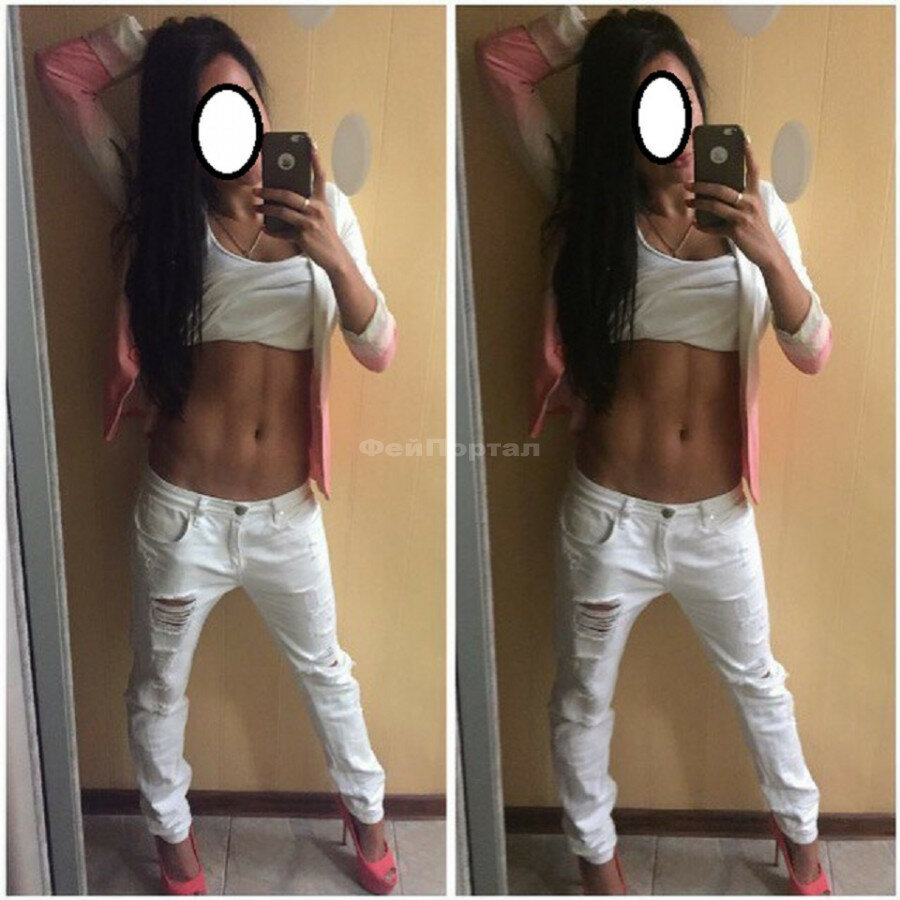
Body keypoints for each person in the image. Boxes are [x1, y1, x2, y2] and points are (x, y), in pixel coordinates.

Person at [35, 13, 399, 895]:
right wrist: (159, 40)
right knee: (159, 688)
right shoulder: (160, 206)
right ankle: (171, 832)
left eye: (245, 103)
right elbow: (63, 77)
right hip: (182, 515)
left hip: (286, 517)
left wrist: (330, 252)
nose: (237, 125)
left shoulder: (321, 208)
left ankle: (366, 807)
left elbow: (379, 346)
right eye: (209, 111)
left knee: (328, 672)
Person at [475, 6, 833, 895]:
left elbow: (814, 347)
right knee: (582, 697)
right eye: (644, 110)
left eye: (679, 101)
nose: (669, 129)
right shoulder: (589, 202)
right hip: (609, 521)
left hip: (718, 522)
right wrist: (603, 30)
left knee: (760, 684)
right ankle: (597, 858)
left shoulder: (755, 209)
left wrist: (763, 248)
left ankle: (803, 837)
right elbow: (501, 65)